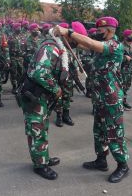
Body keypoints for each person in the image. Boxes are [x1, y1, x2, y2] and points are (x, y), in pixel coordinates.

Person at [55, 16, 129, 183]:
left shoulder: (114, 45)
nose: (98, 32)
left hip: (111, 98)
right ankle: (101, 160)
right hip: (99, 97)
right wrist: (67, 38)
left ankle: (123, 165)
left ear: (110, 29)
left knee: (114, 133)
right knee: (99, 131)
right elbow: (82, 44)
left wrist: (69, 31)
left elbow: (91, 43)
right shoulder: (101, 46)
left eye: (101, 30)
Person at [20, 22, 86, 180]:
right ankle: (39, 165)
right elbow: (40, 73)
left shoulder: (60, 49)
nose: (78, 43)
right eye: (76, 39)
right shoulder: (51, 47)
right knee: (37, 130)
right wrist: (56, 89)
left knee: (42, 129)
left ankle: (43, 157)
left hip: (41, 95)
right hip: (34, 95)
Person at [54, 22, 74, 127]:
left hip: (68, 74)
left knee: (67, 95)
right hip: (57, 74)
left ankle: (66, 115)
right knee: (58, 95)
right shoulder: (54, 43)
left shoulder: (70, 44)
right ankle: (59, 116)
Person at [7, 23, 26, 94]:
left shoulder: (22, 37)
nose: (19, 29)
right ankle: (14, 87)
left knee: (21, 72)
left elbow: (24, 47)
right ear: (14, 29)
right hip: (13, 58)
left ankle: (20, 86)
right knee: (13, 73)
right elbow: (7, 48)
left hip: (21, 58)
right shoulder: (10, 37)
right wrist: (8, 58)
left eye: (20, 27)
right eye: (17, 27)